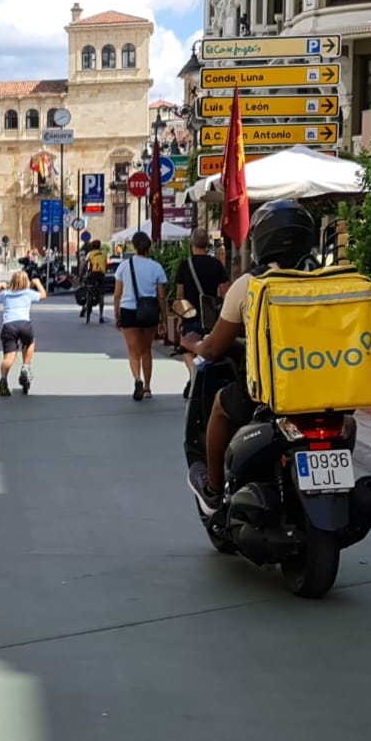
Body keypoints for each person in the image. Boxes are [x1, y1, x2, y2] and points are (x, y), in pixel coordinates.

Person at [183, 200, 317, 509]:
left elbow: (215, 348)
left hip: (271, 391)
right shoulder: (327, 279)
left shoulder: (250, 284)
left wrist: (192, 344)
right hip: (322, 387)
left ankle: (214, 489)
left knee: (219, 406)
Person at [113, 231, 168, 400]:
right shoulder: (156, 267)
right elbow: (161, 296)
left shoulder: (124, 266)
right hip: (149, 310)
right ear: (149, 247)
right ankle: (147, 388)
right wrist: (164, 319)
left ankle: (137, 378)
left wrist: (117, 314)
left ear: (134, 246)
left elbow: (117, 294)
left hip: (128, 310)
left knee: (133, 351)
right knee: (146, 351)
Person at [174, 228, 229, 397]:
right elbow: (225, 291)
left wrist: (180, 318)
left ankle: (194, 373)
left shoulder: (185, 265)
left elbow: (180, 295)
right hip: (211, 315)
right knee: (210, 347)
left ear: (192, 244)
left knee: (186, 347)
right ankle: (200, 375)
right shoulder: (216, 265)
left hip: (190, 314)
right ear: (207, 245)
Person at [0, 270, 47, 396]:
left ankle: (3, 379)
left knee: (9, 357)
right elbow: (43, 295)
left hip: (9, 326)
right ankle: (25, 367)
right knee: (30, 342)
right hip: (24, 325)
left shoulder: (5, 294)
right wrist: (37, 283)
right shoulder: (28, 293)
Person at [83, 240, 108, 324]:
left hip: (93, 274)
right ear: (100, 246)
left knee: (87, 287)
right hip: (101, 275)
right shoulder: (104, 254)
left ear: (92, 247)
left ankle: (84, 306)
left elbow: (85, 265)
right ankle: (101, 316)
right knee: (101, 295)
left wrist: (81, 275)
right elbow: (106, 265)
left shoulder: (90, 253)